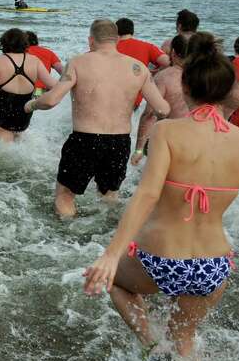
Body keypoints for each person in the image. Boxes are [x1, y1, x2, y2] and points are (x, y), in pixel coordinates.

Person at [82, 36, 239, 361]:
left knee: (116, 281)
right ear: (227, 91)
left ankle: (151, 344)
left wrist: (111, 254)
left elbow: (147, 194)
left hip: (161, 258)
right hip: (214, 266)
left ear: (186, 88)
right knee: (185, 339)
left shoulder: (166, 131)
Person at [24, 20, 171, 218]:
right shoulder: (138, 67)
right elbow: (163, 109)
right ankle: (108, 231)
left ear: (91, 40)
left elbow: (51, 100)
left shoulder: (78, 63)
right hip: (119, 142)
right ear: (116, 40)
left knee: (65, 196)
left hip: (85, 140)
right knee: (109, 197)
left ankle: (67, 230)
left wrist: (31, 105)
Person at [0, 28, 57, 142]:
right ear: (25, 43)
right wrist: (40, 99)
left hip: (2, 115)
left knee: (4, 146)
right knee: (19, 143)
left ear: (3, 43)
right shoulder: (35, 61)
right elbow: (55, 86)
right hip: (24, 116)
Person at [131, 35, 190, 166]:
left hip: (169, 140)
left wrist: (139, 150)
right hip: (199, 139)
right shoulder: (205, 76)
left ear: (173, 52)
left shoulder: (164, 77)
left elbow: (149, 115)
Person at [116, 17, 170, 108]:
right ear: (132, 31)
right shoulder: (147, 47)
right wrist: (157, 72)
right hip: (134, 101)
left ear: (115, 32)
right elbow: (169, 63)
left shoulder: (107, 48)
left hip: (109, 100)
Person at [26, 31, 63, 95]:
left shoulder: (20, 53)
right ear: (36, 41)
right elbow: (62, 70)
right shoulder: (48, 52)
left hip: (25, 90)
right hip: (42, 91)